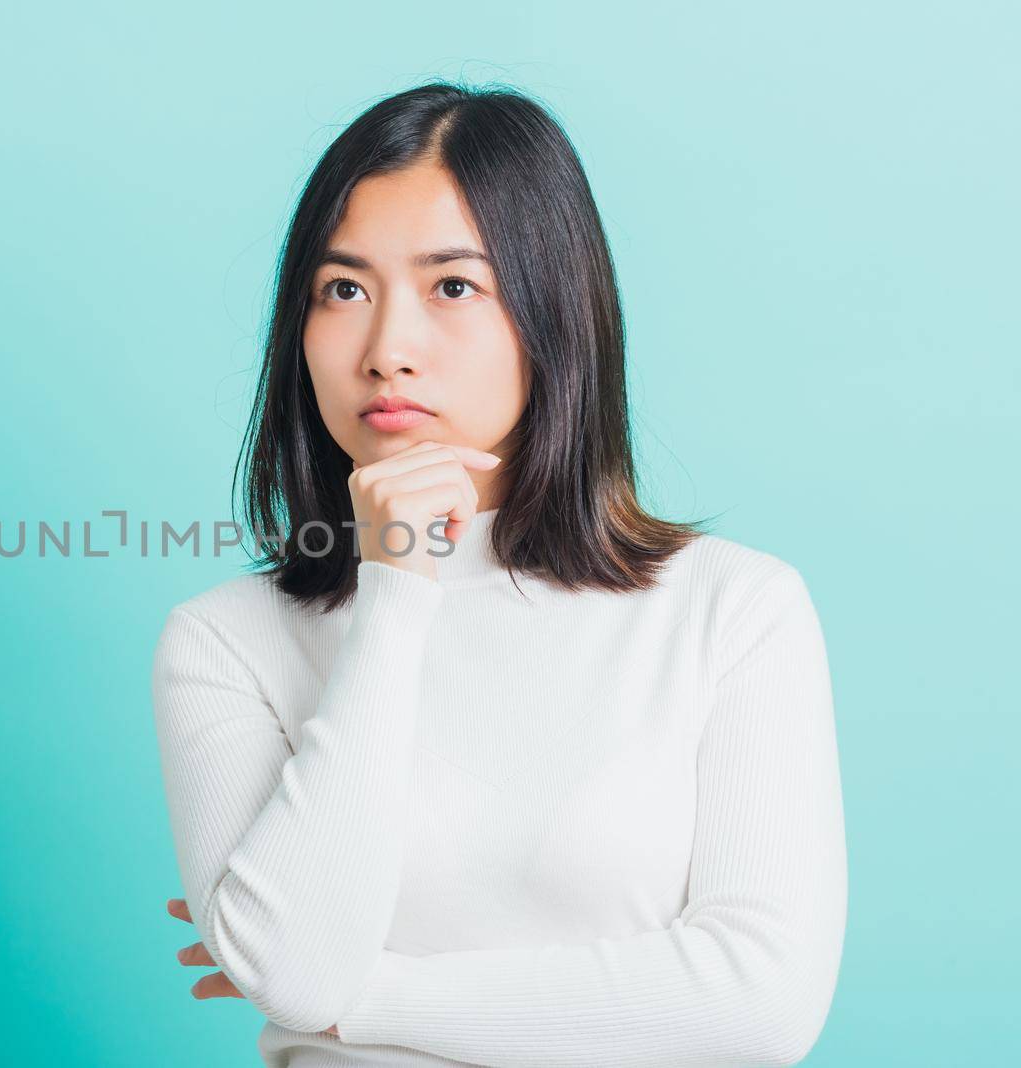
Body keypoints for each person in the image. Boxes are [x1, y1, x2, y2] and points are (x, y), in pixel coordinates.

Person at [150, 82, 846, 1067]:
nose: (387, 350)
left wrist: (365, 996)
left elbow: (759, 1005)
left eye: (452, 286)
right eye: (342, 289)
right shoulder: (223, 641)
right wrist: (396, 590)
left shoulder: (732, 612)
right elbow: (299, 977)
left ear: (551, 312)